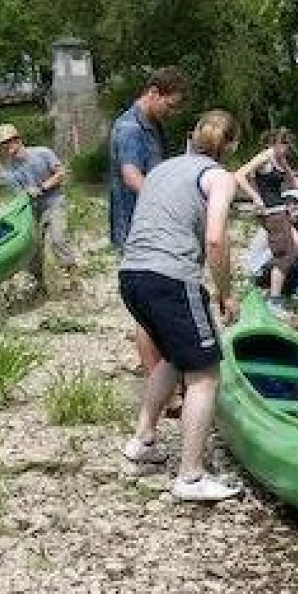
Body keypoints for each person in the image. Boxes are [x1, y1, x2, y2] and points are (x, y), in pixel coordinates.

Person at [117, 109, 244, 503]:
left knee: (174, 357)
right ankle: (190, 477)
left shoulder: (163, 168)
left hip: (131, 275)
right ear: (231, 145)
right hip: (170, 278)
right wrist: (226, 293)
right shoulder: (221, 177)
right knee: (205, 374)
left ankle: (143, 441)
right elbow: (216, 240)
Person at [109, 66, 188, 378]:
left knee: (156, 307)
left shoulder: (153, 124)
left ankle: (163, 378)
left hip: (153, 225)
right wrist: (168, 204)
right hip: (136, 229)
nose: (172, 112)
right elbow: (132, 176)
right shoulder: (129, 127)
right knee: (148, 312)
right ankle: (159, 385)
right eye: (171, 105)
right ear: (153, 92)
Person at [233, 128, 298, 312]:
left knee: (291, 251)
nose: (288, 150)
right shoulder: (266, 156)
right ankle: (274, 300)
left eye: (290, 146)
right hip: (271, 211)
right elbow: (239, 175)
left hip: (281, 210)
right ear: (277, 143)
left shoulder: (282, 160)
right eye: (287, 145)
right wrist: (255, 197)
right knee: (285, 255)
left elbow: (294, 183)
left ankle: (293, 289)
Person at [0, 122, 78, 292]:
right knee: (31, 247)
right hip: (33, 209)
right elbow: (20, 196)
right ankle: (39, 283)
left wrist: (43, 187)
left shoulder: (43, 153)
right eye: (3, 144)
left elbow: (61, 173)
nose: (7, 146)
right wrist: (27, 193)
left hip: (54, 202)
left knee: (58, 238)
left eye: (9, 141)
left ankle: (73, 278)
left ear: (18, 140)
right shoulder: (10, 173)